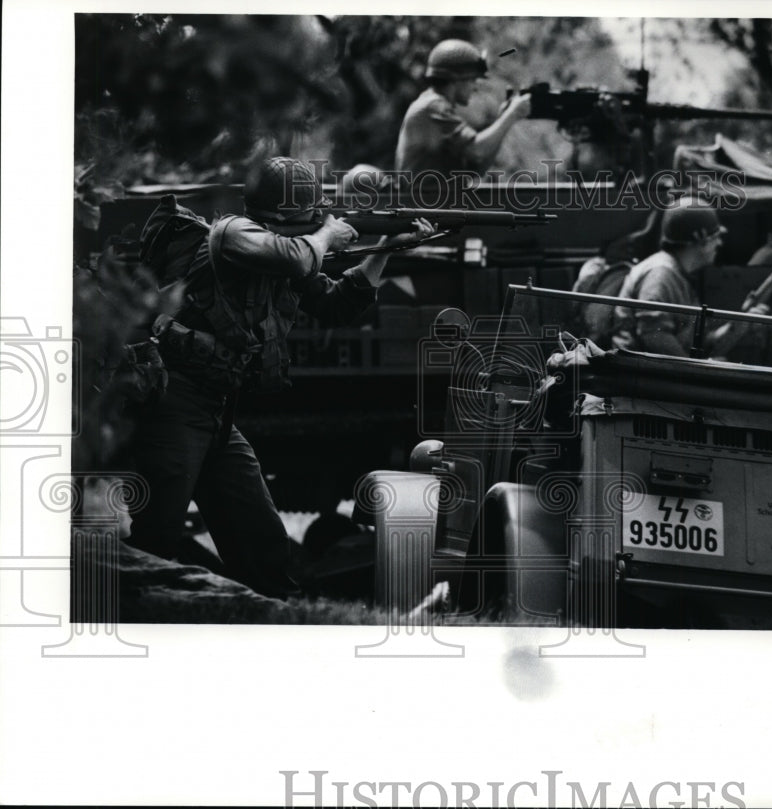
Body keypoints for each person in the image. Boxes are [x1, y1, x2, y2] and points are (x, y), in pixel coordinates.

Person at [125, 156, 434, 598]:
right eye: (312, 210)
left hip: (218, 415)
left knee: (263, 548)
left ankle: (274, 624)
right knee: (155, 540)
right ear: (286, 212)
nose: (320, 216)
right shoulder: (235, 233)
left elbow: (337, 305)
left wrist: (387, 245)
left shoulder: (287, 253)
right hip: (175, 404)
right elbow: (297, 258)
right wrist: (329, 233)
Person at [612, 197, 770, 358]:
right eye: (716, 237)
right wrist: (699, 370)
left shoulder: (676, 273)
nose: (719, 244)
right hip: (642, 378)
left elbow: (703, 343)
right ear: (702, 239)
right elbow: (654, 337)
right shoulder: (661, 276)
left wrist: (741, 322)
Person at [395, 39, 532, 177]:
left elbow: (476, 169)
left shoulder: (436, 106)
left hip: (436, 196)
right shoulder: (433, 107)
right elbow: (476, 151)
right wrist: (512, 114)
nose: (475, 87)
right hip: (424, 197)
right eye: (472, 80)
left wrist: (503, 118)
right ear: (456, 79)